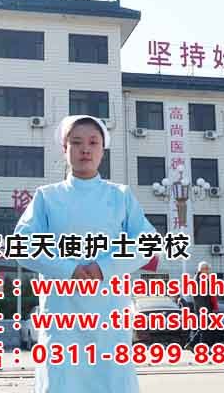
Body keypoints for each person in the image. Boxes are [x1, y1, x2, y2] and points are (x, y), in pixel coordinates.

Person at [14, 115, 155, 393]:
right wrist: (70, 269)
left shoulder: (120, 196)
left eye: (93, 143)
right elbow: (22, 245)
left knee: (111, 380)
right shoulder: (47, 197)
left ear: (103, 150)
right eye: (76, 142)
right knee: (62, 380)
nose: (85, 150)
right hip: (62, 313)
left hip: (109, 311)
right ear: (64, 149)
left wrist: (105, 267)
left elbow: (148, 242)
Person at [184, 261, 219, 349]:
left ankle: (193, 345)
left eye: (208, 269)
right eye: (207, 269)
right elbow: (207, 295)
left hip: (201, 307)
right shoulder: (202, 280)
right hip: (204, 307)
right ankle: (198, 346)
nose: (208, 271)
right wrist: (211, 308)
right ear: (202, 269)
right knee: (204, 328)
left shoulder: (198, 279)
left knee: (204, 328)